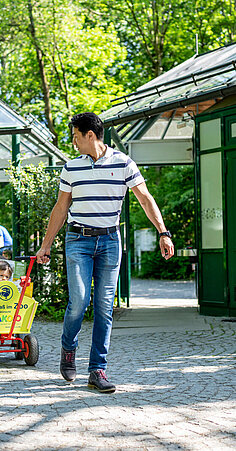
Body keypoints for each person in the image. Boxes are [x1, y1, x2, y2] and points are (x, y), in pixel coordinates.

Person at [36, 112, 174, 393]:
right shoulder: (71, 168)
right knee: (79, 300)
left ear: (90, 135)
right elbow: (61, 208)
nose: (73, 142)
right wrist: (46, 244)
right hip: (78, 240)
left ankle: (97, 369)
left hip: (110, 242)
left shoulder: (124, 163)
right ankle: (68, 348)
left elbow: (145, 199)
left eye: (76, 136)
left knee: (104, 306)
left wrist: (163, 231)